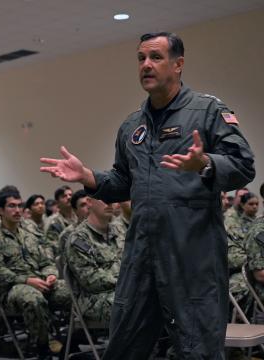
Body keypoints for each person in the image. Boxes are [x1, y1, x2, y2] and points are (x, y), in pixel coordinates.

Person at [40, 32, 255, 359]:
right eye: (141, 58)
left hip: (192, 259)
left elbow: (243, 165)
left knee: (198, 352)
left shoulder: (207, 111)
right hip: (142, 256)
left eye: (155, 57)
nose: (146, 65)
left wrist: (206, 162)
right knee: (123, 349)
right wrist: (88, 177)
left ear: (178, 64)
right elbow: (123, 182)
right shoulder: (131, 126)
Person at [0, 191, 70, 359]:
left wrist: (50, 275)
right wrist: (27, 280)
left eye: (19, 205)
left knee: (73, 291)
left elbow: (46, 261)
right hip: (10, 290)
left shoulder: (30, 236)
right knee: (32, 297)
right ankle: (43, 348)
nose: (17, 210)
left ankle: (72, 339)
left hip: (40, 282)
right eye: (11, 206)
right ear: (0, 210)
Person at [65, 197, 121, 322]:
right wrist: (125, 283)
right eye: (104, 197)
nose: (109, 201)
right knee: (135, 304)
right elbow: (90, 279)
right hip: (93, 299)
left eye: (111, 196)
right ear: (89, 202)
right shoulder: (79, 238)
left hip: (121, 291)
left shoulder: (119, 232)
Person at [43, 186, 77, 259]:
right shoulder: (53, 222)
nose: (69, 197)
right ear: (57, 202)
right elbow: (52, 247)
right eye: (64, 196)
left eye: (71, 195)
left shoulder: (79, 217)